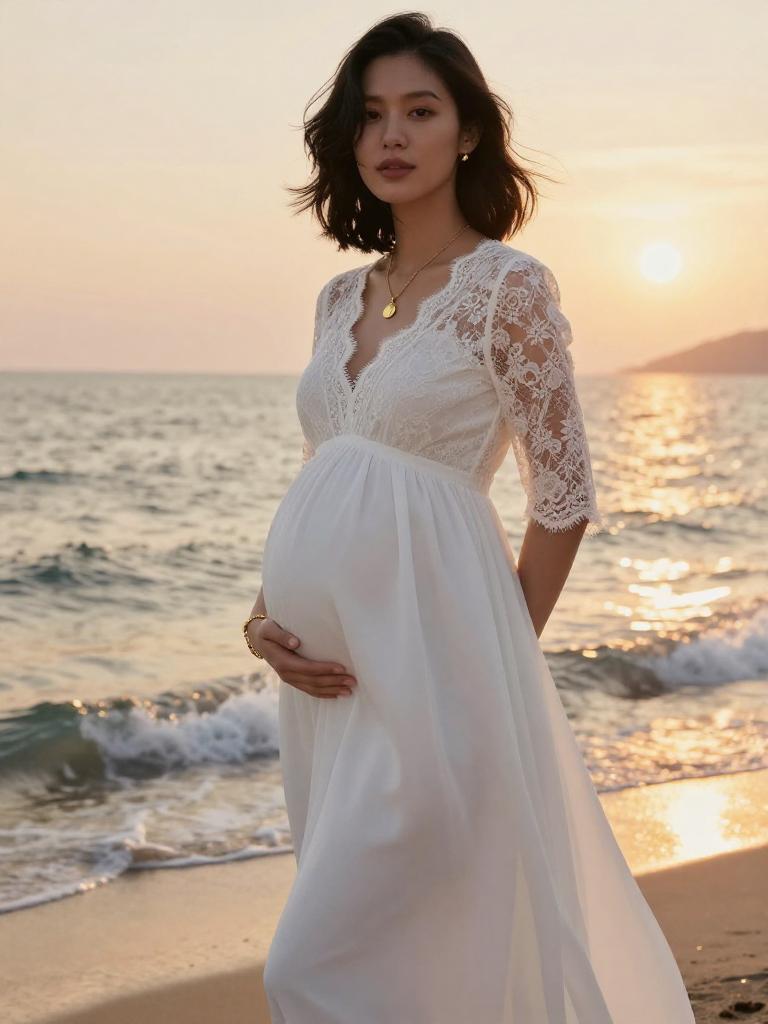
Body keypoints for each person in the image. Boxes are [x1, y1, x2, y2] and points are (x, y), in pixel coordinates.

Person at [246, 12, 696, 1023]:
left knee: (311, 963)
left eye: (419, 110)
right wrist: (262, 618)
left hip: (435, 678)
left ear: (467, 133)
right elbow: (331, 478)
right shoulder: (337, 299)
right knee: (416, 957)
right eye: (371, 116)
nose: (392, 136)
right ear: (347, 142)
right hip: (326, 690)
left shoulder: (508, 288)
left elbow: (565, 495)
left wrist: (485, 661)